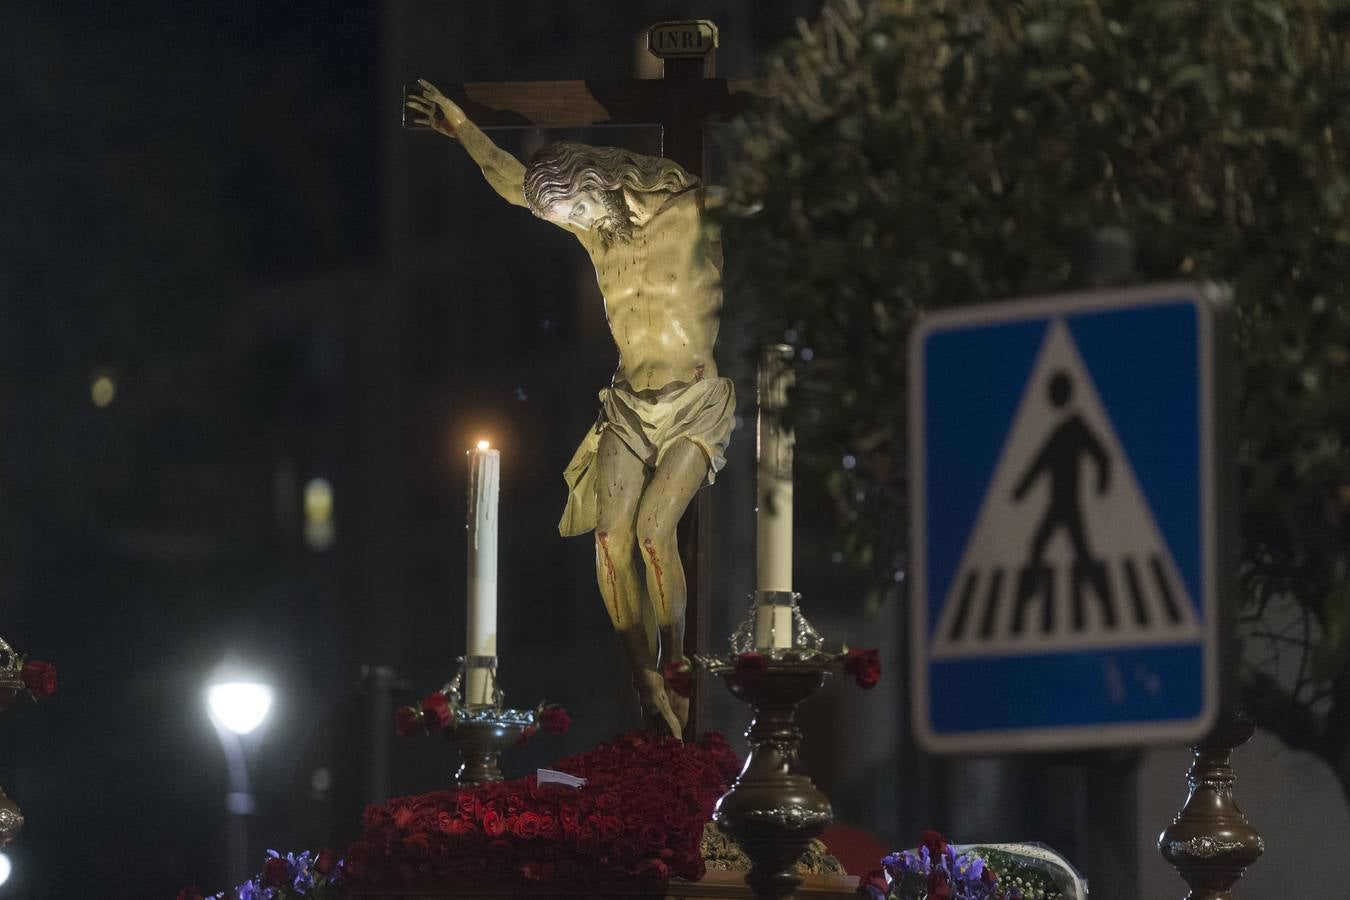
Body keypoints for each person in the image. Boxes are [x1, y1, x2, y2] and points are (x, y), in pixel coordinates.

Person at [406, 80, 733, 736]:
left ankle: (675, 660)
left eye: (582, 209)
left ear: (603, 188)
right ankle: (644, 671)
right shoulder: (594, 232)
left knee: (651, 530)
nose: (581, 224)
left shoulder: (691, 211)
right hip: (629, 404)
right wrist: (465, 131)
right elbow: (513, 182)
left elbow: (769, 202)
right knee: (611, 537)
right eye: (571, 216)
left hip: (693, 401)